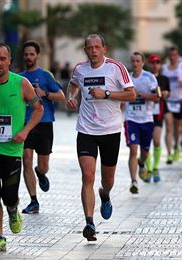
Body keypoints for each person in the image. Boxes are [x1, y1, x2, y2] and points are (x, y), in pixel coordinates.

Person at [66, 34, 136, 241]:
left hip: (110, 131)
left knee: (108, 180)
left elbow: (131, 94)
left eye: (97, 47)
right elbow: (73, 85)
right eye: (90, 47)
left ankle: (105, 194)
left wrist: (106, 94)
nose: (94, 51)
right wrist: (72, 97)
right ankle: (89, 222)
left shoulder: (116, 68)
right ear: (85, 50)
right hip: (86, 130)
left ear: (104, 49)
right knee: (87, 175)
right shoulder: (80, 69)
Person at [0, 43, 43, 252]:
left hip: (13, 149)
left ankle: (13, 209)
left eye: (2, 59)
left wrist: (25, 131)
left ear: (9, 61)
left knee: (9, 194)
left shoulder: (22, 83)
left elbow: (38, 109)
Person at [19, 40, 65, 214]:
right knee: (26, 160)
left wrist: (44, 93)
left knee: (43, 165)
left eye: (32, 54)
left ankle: (41, 172)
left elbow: (61, 96)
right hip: (26, 124)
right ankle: (33, 201)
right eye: (26, 54)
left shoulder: (45, 75)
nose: (29, 57)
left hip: (45, 123)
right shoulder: (19, 78)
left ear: (37, 55)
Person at [124, 52, 159, 193]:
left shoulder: (149, 78)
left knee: (144, 151)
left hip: (147, 120)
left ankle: (142, 162)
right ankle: (134, 182)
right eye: (133, 61)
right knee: (133, 149)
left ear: (143, 63)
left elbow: (157, 97)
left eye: (138, 61)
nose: (135, 63)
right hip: (131, 119)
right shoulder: (126, 78)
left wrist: (141, 95)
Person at [145, 54, 170, 182]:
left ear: (160, 64)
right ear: (149, 64)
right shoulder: (145, 77)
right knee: (146, 143)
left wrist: (165, 93)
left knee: (157, 141)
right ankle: (148, 169)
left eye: (158, 62)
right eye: (153, 62)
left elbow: (167, 93)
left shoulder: (164, 79)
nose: (155, 65)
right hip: (145, 114)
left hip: (158, 113)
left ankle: (155, 167)